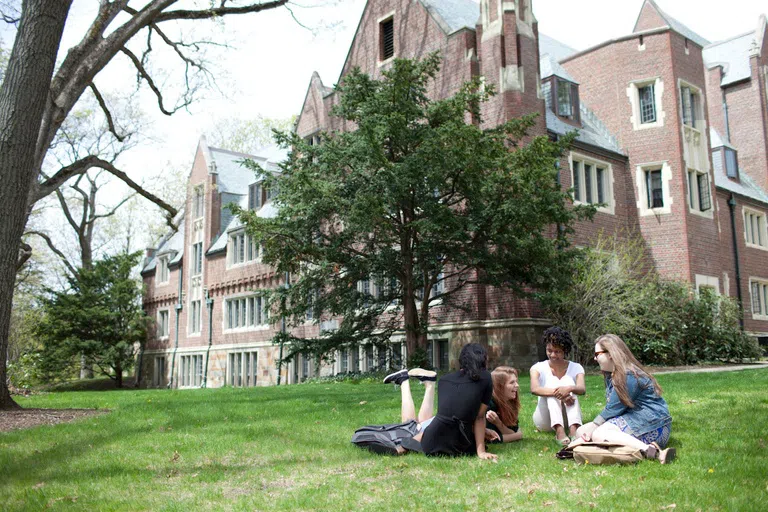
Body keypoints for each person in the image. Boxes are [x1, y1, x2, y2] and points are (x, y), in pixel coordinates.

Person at [384, 343, 498, 460]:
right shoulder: (485, 378)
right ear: (482, 359)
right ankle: (404, 446)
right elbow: (479, 417)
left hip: (431, 441)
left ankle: (402, 447)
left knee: (440, 422)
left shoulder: (444, 380)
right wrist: (481, 451)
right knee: (443, 424)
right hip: (458, 443)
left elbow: (450, 414)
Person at [576, 334, 675, 464]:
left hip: (656, 427)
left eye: (597, 354)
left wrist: (593, 428)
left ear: (610, 353)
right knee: (580, 432)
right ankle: (629, 450)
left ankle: (653, 452)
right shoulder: (612, 374)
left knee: (599, 433)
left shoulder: (628, 375)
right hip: (637, 420)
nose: (594, 358)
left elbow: (612, 410)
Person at [530, 326, 586, 446]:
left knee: (567, 381)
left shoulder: (576, 367)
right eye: (549, 350)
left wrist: (569, 389)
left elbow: (581, 389)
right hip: (545, 419)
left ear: (565, 351)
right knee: (552, 381)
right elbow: (535, 389)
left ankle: (573, 430)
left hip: (569, 417)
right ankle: (559, 431)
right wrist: (562, 395)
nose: (553, 355)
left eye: (557, 351)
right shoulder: (537, 367)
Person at [485, 366, 523, 444]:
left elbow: (512, 432)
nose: (517, 385)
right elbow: (491, 439)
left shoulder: (510, 402)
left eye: (516, 381)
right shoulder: (488, 404)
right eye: (512, 382)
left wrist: (498, 423)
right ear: (499, 386)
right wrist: (518, 435)